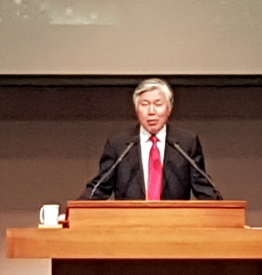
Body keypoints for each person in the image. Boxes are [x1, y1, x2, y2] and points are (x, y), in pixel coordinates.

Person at [80, 78, 222, 200]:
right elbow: (100, 186)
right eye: (145, 104)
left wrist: (224, 211)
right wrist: (76, 211)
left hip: (174, 220)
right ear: (136, 109)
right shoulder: (119, 144)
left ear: (169, 108)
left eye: (158, 104)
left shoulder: (186, 143)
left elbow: (203, 187)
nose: (151, 111)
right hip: (130, 221)